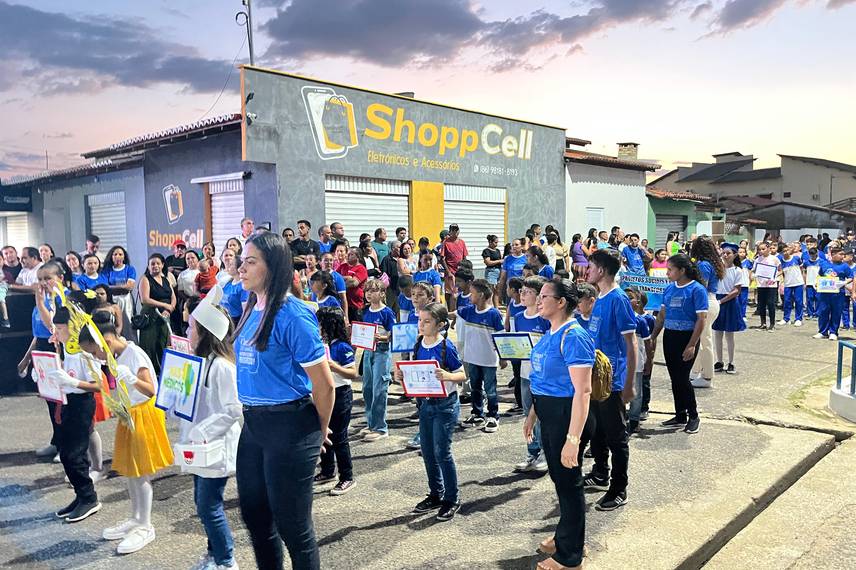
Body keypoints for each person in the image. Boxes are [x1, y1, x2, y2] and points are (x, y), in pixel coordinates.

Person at [232, 231, 334, 570]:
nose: (240, 268)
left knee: (293, 527)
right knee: (256, 517)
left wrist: (318, 431)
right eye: (240, 261)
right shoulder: (249, 306)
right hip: (255, 425)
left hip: (291, 426)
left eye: (250, 262)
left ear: (273, 267)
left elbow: (324, 385)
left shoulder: (292, 315)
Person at [79, 316, 172, 555]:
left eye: (94, 352)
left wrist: (132, 378)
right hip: (128, 412)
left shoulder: (135, 354)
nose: (96, 358)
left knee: (141, 471)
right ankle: (136, 517)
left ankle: (146, 525)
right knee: (130, 470)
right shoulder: (116, 357)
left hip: (144, 413)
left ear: (106, 342)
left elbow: (151, 389)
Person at [526, 277, 595, 570]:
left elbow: (583, 391)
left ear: (561, 302)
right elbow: (542, 380)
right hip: (549, 414)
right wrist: (532, 414)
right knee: (562, 481)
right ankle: (568, 536)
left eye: (544, 296)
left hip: (568, 416)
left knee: (569, 483)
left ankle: (570, 558)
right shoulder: (550, 332)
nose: (538, 301)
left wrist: (573, 439)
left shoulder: (574, 336)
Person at [180, 293, 241, 570]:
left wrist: (203, 431)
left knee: (209, 506)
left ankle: (226, 559)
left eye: (192, 327)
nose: (187, 332)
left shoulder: (222, 367)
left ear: (205, 333)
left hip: (215, 446)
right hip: (200, 446)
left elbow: (233, 409)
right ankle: (214, 553)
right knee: (200, 502)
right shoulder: (201, 363)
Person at [395, 302, 467, 522]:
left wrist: (447, 376)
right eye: (420, 320)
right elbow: (417, 372)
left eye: (427, 321)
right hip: (425, 404)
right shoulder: (418, 344)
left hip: (445, 405)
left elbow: (462, 374)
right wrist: (402, 377)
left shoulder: (446, 346)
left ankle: (452, 498)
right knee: (427, 451)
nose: (421, 325)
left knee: (441, 452)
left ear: (440, 325)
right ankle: (436, 493)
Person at [581, 249, 636, 512]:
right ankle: (600, 472)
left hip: (613, 382)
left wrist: (629, 384)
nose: (586, 270)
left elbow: (631, 343)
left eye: (590, 266)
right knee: (597, 431)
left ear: (601, 270)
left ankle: (619, 488)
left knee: (616, 437)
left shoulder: (618, 299)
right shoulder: (599, 298)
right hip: (596, 378)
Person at [41, 307, 103, 522]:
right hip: (67, 402)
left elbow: (99, 385)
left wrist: (73, 382)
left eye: (60, 328)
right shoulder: (66, 346)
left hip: (81, 403)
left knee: (73, 454)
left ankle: (89, 498)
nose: (56, 332)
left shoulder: (85, 350)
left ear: (73, 327)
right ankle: (81, 496)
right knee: (66, 451)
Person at [650, 254, 707, 434]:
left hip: (687, 337)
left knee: (683, 378)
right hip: (670, 337)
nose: (667, 273)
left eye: (670, 270)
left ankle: (694, 415)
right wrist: (653, 337)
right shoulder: (669, 289)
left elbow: (701, 320)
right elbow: (661, 316)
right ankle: (680, 414)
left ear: (682, 270)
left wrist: (692, 344)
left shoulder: (697, 290)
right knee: (674, 377)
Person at [315, 306, 357, 495]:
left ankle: (347, 477)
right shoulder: (321, 344)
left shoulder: (341, 346)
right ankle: (327, 470)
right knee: (325, 432)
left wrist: (333, 366)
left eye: (320, 324)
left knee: (340, 437)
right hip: (324, 393)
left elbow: (352, 373)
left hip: (341, 393)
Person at [512, 276, 551, 473]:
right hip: (525, 374)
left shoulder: (545, 319)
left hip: (543, 376)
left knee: (542, 415)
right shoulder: (518, 318)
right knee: (528, 414)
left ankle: (546, 452)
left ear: (538, 297)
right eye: (521, 292)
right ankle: (532, 451)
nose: (522, 295)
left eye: (527, 292)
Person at [457, 279, 505, 433]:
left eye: (473, 293)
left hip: (489, 360)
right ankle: (477, 413)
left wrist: (503, 357)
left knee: (490, 389)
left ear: (482, 295)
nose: (470, 296)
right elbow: (452, 314)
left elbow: (500, 337)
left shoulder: (494, 314)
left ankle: (493, 415)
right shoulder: (469, 311)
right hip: (472, 358)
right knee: (475, 387)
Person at [359, 279, 396, 442]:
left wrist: (384, 337)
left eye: (373, 290)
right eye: (367, 290)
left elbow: (394, 332)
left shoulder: (387, 312)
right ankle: (371, 422)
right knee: (367, 387)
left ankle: (381, 427)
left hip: (382, 351)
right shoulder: (365, 311)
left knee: (379, 388)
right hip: (368, 352)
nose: (369, 293)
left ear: (382, 293)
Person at [688, 237, 724, 389]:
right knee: (701, 340)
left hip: (706, 303)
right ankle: (695, 371)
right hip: (712, 301)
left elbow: (701, 287)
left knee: (704, 342)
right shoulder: (713, 263)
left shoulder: (703, 265)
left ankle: (707, 376)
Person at [138, 253, 176, 376]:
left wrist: (169, 309)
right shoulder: (145, 279)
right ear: (148, 266)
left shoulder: (166, 279)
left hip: (164, 316)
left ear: (162, 265)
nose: (155, 266)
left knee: (163, 343)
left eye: (158, 263)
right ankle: (150, 374)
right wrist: (164, 305)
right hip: (151, 316)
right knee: (149, 345)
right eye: (152, 264)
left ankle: (162, 372)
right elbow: (145, 299)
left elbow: (173, 298)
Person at [712, 243, 745, 375]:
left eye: (728, 253)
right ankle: (719, 361)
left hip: (729, 302)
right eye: (724, 253)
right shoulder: (717, 269)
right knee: (717, 333)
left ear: (735, 255)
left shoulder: (738, 270)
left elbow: (736, 291)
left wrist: (721, 301)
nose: (725, 255)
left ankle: (731, 362)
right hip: (718, 299)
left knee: (729, 334)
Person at [624, 288, 654, 436]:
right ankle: (621, 420)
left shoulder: (640, 321)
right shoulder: (618, 318)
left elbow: (648, 344)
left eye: (631, 298)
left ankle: (634, 420)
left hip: (636, 364)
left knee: (636, 394)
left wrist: (650, 362)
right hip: (621, 364)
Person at [814, 246, 854, 341]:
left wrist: (844, 282)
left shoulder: (844, 266)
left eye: (843, 254)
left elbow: (851, 277)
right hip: (825, 293)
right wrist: (816, 283)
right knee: (823, 311)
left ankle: (833, 332)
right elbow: (820, 275)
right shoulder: (824, 264)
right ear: (833, 255)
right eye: (840, 254)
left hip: (838, 293)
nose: (842, 256)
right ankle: (823, 331)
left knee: (836, 312)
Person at [102, 246, 137, 323]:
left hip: (126, 300)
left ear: (124, 257)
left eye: (120, 254)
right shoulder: (106, 270)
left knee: (128, 322)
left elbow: (130, 286)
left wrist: (112, 287)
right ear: (111, 257)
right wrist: (122, 287)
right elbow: (104, 287)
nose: (117, 256)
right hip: (112, 299)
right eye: (115, 254)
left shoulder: (130, 269)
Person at [753, 242, 782, 331]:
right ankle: (763, 323)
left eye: (763, 249)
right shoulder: (757, 260)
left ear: (768, 248)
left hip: (771, 285)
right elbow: (754, 270)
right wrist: (753, 275)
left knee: (770, 304)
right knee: (761, 304)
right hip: (761, 284)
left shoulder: (774, 259)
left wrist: (774, 278)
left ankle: (772, 324)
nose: (761, 251)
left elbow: (780, 270)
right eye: (759, 249)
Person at [439, 224, 469, 311]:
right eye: (452, 230)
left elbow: (464, 257)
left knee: (459, 291)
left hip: (460, 271)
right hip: (450, 270)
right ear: (450, 231)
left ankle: (459, 309)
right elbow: (442, 258)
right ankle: (450, 310)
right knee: (449, 292)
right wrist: (448, 271)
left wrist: (464, 269)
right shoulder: (446, 242)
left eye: (456, 230)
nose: (455, 232)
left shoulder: (462, 242)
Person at [337, 247, 369, 323]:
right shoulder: (342, 266)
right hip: (342, 304)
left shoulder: (361, 269)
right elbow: (333, 278)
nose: (347, 256)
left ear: (358, 256)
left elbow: (353, 283)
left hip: (355, 305)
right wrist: (347, 277)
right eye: (347, 254)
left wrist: (340, 282)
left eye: (351, 254)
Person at [778, 243, 804, 327]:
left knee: (798, 301)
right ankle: (786, 318)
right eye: (783, 251)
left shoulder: (796, 258)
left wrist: (803, 279)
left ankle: (798, 318)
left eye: (787, 250)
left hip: (798, 283)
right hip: (788, 284)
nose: (786, 252)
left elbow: (802, 268)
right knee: (787, 301)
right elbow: (781, 271)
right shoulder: (781, 261)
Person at [319, 252, 349, 321]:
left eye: (331, 260)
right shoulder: (317, 276)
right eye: (326, 260)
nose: (329, 262)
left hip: (332, 312)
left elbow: (343, 299)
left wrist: (346, 317)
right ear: (320, 262)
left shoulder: (337, 277)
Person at [803, 246, 822, 319]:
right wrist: (804, 281)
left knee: (818, 298)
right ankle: (810, 313)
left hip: (818, 283)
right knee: (809, 298)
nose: (812, 255)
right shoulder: (807, 262)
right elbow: (804, 272)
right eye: (811, 254)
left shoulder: (821, 261)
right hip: (809, 282)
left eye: (813, 254)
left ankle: (817, 313)